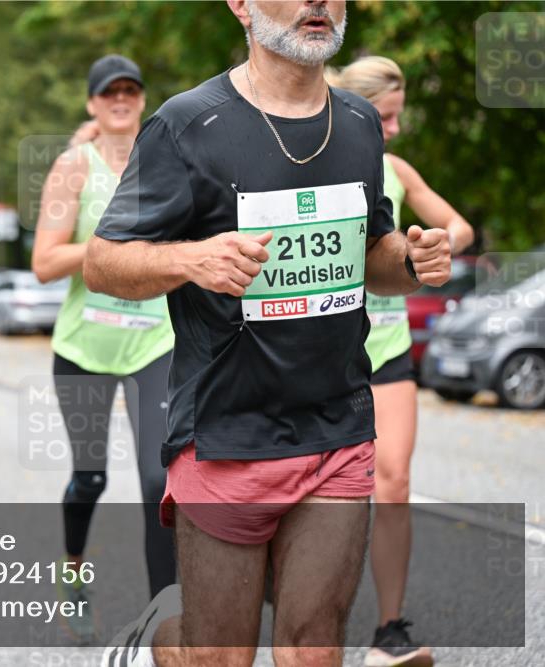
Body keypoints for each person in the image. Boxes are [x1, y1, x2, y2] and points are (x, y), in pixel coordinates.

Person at [85, 2, 453, 666]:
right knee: (217, 655)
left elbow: (371, 254)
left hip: (336, 426)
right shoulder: (187, 125)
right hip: (226, 432)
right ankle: (149, 642)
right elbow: (104, 262)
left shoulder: (361, 123)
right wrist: (189, 259)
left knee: (313, 650)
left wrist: (409, 261)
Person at [328, 55, 473, 667]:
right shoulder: (323, 160)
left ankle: (389, 631)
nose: (390, 130)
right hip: (326, 351)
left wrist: (426, 246)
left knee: (394, 482)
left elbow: (458, 228)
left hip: (385, 348)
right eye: (383, 117)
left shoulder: (394, 168)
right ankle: (303, 613)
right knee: (324, 493)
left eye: (395, 119)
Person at [31, 54, 177, 643]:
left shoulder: (166, 159)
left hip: (154, 343)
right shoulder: (74, 166)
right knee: (90, 477)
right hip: (85, 347)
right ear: (92, 104)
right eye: (108, 91)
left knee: (156, 479)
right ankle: (72, 573)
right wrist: (109, 247)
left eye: (131, 89)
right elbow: (44, 262)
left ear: (141, 99)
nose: (121, 98)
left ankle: (165, 620)